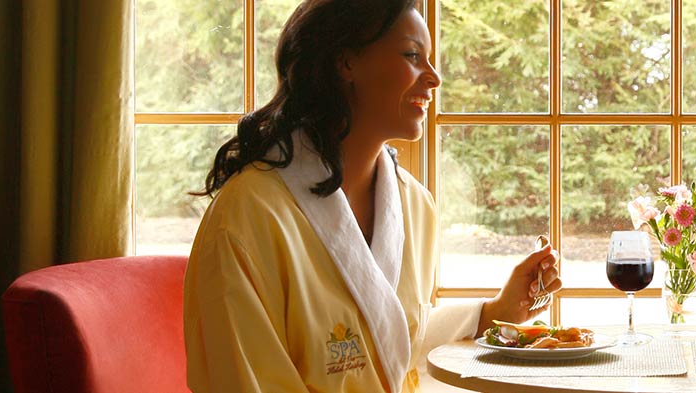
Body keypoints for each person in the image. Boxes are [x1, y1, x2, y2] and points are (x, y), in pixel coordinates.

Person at [182, 1, 560, 392]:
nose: (434, 78)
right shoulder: (247, 217)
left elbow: (389, 342)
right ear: (346, 62)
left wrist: (495, 312)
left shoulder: (415, 205)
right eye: (412, 55)